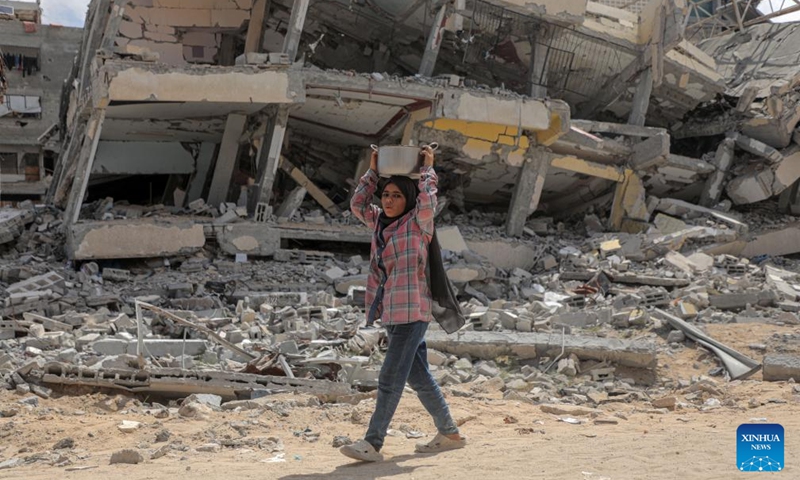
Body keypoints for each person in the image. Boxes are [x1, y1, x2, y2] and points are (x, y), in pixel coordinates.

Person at [340, 145, 467, 462]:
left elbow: (429, 199)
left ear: (408, 198)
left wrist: (427, 168)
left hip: (413, 312)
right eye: (386, 195)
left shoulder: (419, 222)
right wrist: (372, 173)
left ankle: (373, 442)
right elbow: (357, 204)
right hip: (392, 313)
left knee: (390, 378)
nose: (389, 200)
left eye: (397, 195)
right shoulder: (381, 224)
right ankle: (449, 432)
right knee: (418, 377)